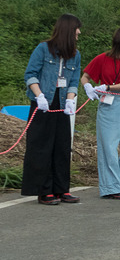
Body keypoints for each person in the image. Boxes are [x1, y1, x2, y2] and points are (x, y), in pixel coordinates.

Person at [21, 14, 83, 205]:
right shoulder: (43, 49)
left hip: (62, 103)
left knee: (62, 146)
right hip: (43, 103)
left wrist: (71, 100)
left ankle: (62, 188)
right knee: (42, 146)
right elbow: (30, 74)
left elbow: (73, 81)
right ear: (67, 30)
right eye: (76, 29)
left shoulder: (75, 55)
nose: (79, 32)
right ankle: (44, 190)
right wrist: (39, 96)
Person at [80, 26, 120, 200]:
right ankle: (112, 187)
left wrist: (109, 87)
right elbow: (85, 76)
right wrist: (88, 87)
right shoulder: (102, 58)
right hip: (108, 104)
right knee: (108, 145)